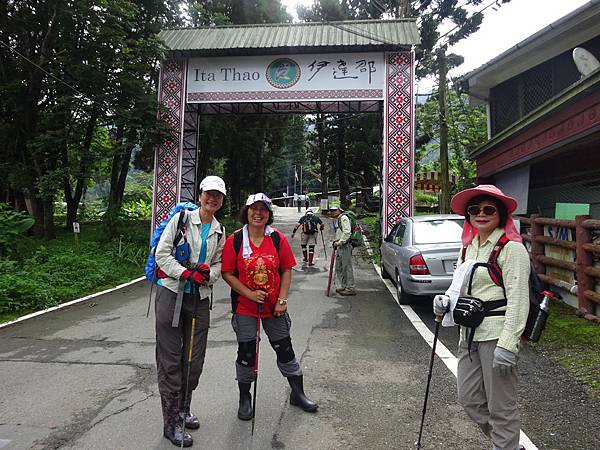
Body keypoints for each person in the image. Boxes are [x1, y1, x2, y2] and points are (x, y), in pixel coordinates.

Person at [433, 185, 530, 450]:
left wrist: (508, 345)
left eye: (489, 209)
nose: (481, 214)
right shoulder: (468, 247)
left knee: (501, 406)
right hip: (469, 334)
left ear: (500, 214)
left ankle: (505, 445)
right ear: (468, 215)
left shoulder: (511, 249)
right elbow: (459, 285)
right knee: (469, 398)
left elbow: (519, 300)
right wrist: (445, 301)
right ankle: (507, 441)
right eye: (474, 209)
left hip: (497, 336)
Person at [221, 193, 318, 421]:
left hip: (274, 307)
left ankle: (298, 392)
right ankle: (245, 398)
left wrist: (282, 300)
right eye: (253, 209)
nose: (258, 213)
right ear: (246, 212)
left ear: (268, 214)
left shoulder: (276, 239)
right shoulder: (235, 240)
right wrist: (249, 294)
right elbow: (227, 273)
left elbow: (286, 269)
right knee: (246, 352)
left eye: (263, 209)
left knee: (284, 349)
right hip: (245, 307)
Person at [154, 176, 226, 447]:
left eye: (218, 195)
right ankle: (171, 422)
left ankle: (184, 408)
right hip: (171, 295)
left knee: (193, 360)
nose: (213, 199)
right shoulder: (182, 219)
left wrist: (209, 275)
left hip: (199, 299)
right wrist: (185, 273)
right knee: (170, 361)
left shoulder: (220, 231)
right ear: (200, 195)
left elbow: (219, 264)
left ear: (222, 200)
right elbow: (162, 254)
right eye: (209, 194)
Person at [330, 205, 355, 296]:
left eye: (334, 210)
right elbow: (342, 232)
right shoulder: (339, 219)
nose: (332, 212)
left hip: (345, 245)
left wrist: (340, 242)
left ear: (339, 210)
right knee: (339, 267)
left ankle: (350, 287)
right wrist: (337, 240)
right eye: (331, 210)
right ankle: (344, 286)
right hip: (341, 245)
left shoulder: (343, 218)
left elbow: (347, 232)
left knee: (346, 267)